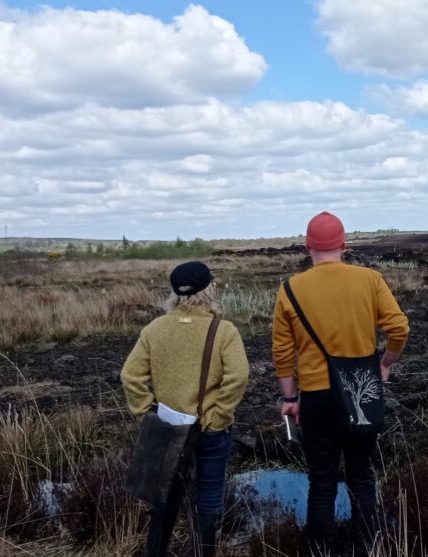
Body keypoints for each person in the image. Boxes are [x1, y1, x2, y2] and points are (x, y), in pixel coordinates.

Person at [272, 212, 410, 555]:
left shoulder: (289, 289)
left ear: (308, 247)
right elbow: (400, 329)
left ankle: (319, 551)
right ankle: (371, 548)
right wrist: (386, 363)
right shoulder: (370, 279)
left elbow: (282, 352)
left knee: (321, 483)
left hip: (316, 398)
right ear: (344, 245)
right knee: (362, 479)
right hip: (362, 394)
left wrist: (290, 398)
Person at [121, 261, 250, 557]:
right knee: (208, 499)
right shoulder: (223, 331)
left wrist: (146, 412)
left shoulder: (155, 329)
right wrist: (219, 416)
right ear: (209, 289)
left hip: (168, 429)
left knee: (164, 498)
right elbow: (238, 376)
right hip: (210, 431)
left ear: (175, 294)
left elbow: (130, 375)